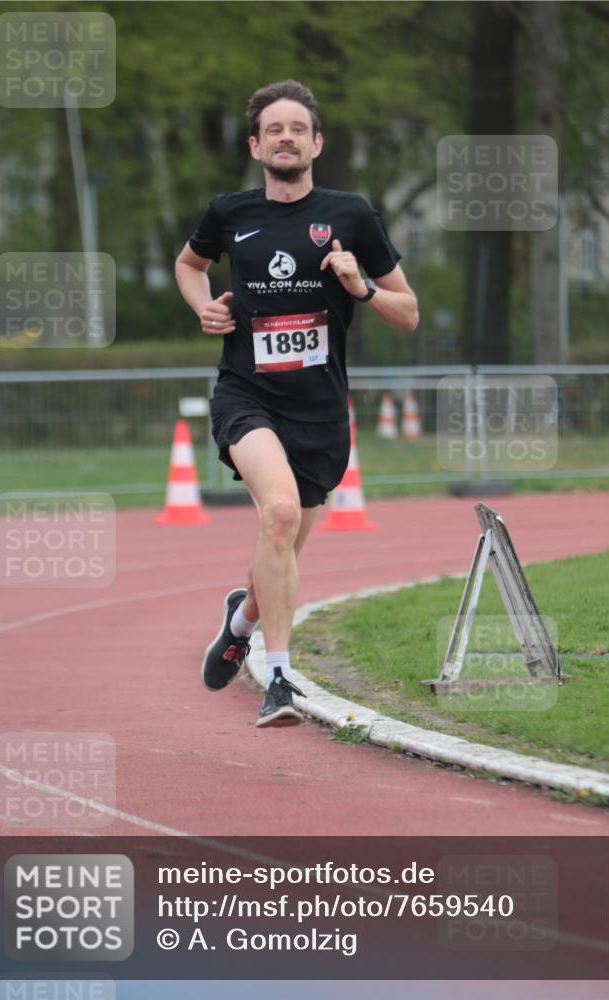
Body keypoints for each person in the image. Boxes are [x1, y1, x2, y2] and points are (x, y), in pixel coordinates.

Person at [175, 80, 418, 728]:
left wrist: (359, 285)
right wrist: (204, 308)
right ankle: (279, 679)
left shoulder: (352, 216)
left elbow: (407, 313)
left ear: (317, 142)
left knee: (282, 544)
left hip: (319, 411)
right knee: (278, 516)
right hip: (245, 394)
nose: (286, 137)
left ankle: (240, 620)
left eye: (297, 128)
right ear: (256, 145)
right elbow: (188, 264)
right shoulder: (228, 211)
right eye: (272, 129)